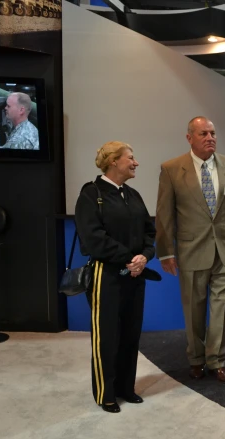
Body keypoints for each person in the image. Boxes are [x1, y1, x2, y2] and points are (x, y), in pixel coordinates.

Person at [155, 117, 225, 385]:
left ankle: (217, 361)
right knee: (193, 310)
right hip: (191, 251)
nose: (210, 137)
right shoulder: (171, 169)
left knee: (221, 309)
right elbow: (164, 215)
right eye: (203, 133)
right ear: (189, 137)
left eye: (213, 133)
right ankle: (196, 360)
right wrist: (165, 252)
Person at [75, 141, 155, 413]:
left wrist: (144, 256)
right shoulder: (91, 193)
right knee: (106, 336)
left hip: (135, 275)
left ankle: (126, 388)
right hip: (105, 275)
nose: (136, 163)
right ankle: (105, 393)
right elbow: (93, 239)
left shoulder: (133, 195)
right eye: (131, 158)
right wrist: (128, 258)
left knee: (131, 334)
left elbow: (149, 232)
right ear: (113, 161)